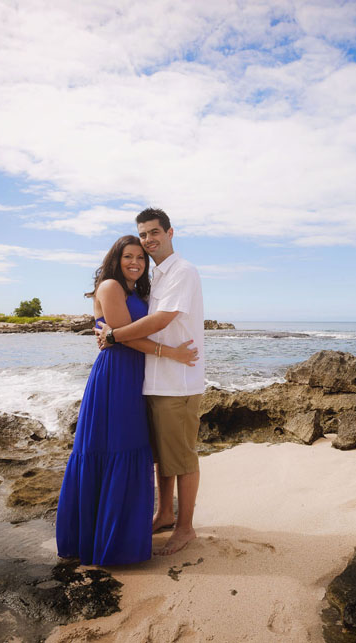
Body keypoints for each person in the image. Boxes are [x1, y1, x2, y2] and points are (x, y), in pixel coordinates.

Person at [56, 235, 198, 566]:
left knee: (133, 448)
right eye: (128, 256)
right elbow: (125, 337)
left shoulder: (138, 291)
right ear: (115, 260)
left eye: (140, 257)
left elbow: (130, 331)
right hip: (116, 378)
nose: (135, 262)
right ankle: (105, 539)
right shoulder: (110, 287)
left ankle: (127, 531)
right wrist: (170, 353)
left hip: (138, 378)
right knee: (115, 449)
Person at [97, 208, 205, 556]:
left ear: (170, 232)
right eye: (143, 235)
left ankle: (186, 528)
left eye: (154, 233)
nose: (149, 240)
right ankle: (165, 513)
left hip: (178, 382)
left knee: (182, 458)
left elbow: (161, 319)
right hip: (152, 381)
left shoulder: (183, 272)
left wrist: (113, 336)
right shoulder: (155, 276)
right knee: (162, 456)